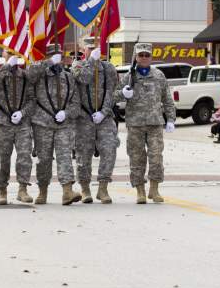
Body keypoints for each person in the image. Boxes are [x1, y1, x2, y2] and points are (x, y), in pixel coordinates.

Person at [116, 42, 176, 204]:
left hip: (155, 123)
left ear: (151, 57)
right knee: (136, 158)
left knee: (156, 157)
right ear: (136, 57)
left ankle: (154, 189)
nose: (143, 58)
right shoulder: (129, 76)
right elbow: (114, 96)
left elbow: (167, 99)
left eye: (146, 55)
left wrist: (171, 119)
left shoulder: (159, 75)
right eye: (140, 55)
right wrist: (123, 93)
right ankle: (140, 191)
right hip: (135, 124)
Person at [27, 45, 82, 205]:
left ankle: (67, 191)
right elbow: (29, 74)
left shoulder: (68, 77)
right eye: (53, 55)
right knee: (44, 160)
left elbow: (76, 104)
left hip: (63, 124)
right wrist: (47, 62)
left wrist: (67, 113)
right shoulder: (39, 75)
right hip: (42, 123)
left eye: (59, 55)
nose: (57, 58)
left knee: (65, 157)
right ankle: (42, 191)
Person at [71, 37, 118, 204]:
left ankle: (103, 188)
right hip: (84, 118)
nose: (92, 50)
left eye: (94, 48)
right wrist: (91, 61)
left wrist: (104, 112)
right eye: (89, 48)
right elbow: (83, 78)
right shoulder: (77, 66)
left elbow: (111, 91)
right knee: (83, 155)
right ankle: (85, 188)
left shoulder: (109, 68)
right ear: (84, 51)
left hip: (104, 118)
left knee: (110, 149)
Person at [0, 49, 35, 205]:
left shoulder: (24, 75)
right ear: (3, 54)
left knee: (24, 155)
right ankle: (2, 190)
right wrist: (7, 67)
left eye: (15, 52)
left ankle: (23, 189)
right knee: (2, 159)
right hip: (2, 122)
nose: (12, 55)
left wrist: (23, 113)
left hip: (21, 123)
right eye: (9, 52)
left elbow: (31, 99)